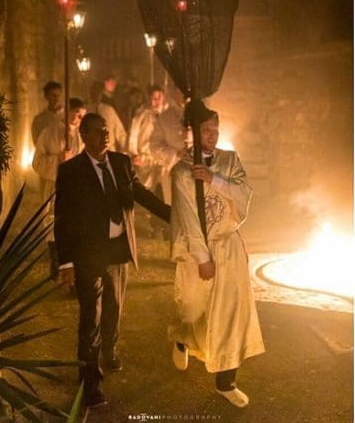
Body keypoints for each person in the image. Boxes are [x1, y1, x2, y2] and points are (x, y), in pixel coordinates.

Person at [53, 112, 171, 409]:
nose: (105, 136)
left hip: (118, 250)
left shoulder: (120, 162)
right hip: (88, 253)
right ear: (84, 136)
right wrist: (65, 263)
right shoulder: (71, 171)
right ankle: (90, 382)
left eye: (106, 131)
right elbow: (63, 218)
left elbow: (141, 194)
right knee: (90, 315)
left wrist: (173, 215)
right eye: (97, 131)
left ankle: (111, 347)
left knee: (115, 307)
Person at [168, 101, 264, 408]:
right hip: (200, 251)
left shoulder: (229, 160)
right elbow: (187, 218)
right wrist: (202, 257)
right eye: (205, 129)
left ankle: (226, 381)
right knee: (195, 308)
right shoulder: (181, 172)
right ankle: (182, 337)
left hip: (229, 245)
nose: (212, 135)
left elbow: (244, 194)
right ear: (192, 132)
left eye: (215, 129)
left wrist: (214, 180)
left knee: (231, 313)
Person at [33, 98, 86, 280]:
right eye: (74, 113)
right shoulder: (49, 133)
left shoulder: (84, 136)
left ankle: (74, 275)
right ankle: (56, 262)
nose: (77, 118)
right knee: (54, 225)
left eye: (81, 115)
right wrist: (58, 161)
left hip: (78, 192)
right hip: (55, 188)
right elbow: (37, 162)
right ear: (66, 111)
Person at [90, 79, 128, 154]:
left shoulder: (109, 110)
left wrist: (127, 150)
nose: (96, 95)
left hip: (108, 151)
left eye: (98, 93)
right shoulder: (85, 111)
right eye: (94, 92)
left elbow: (120, 132)